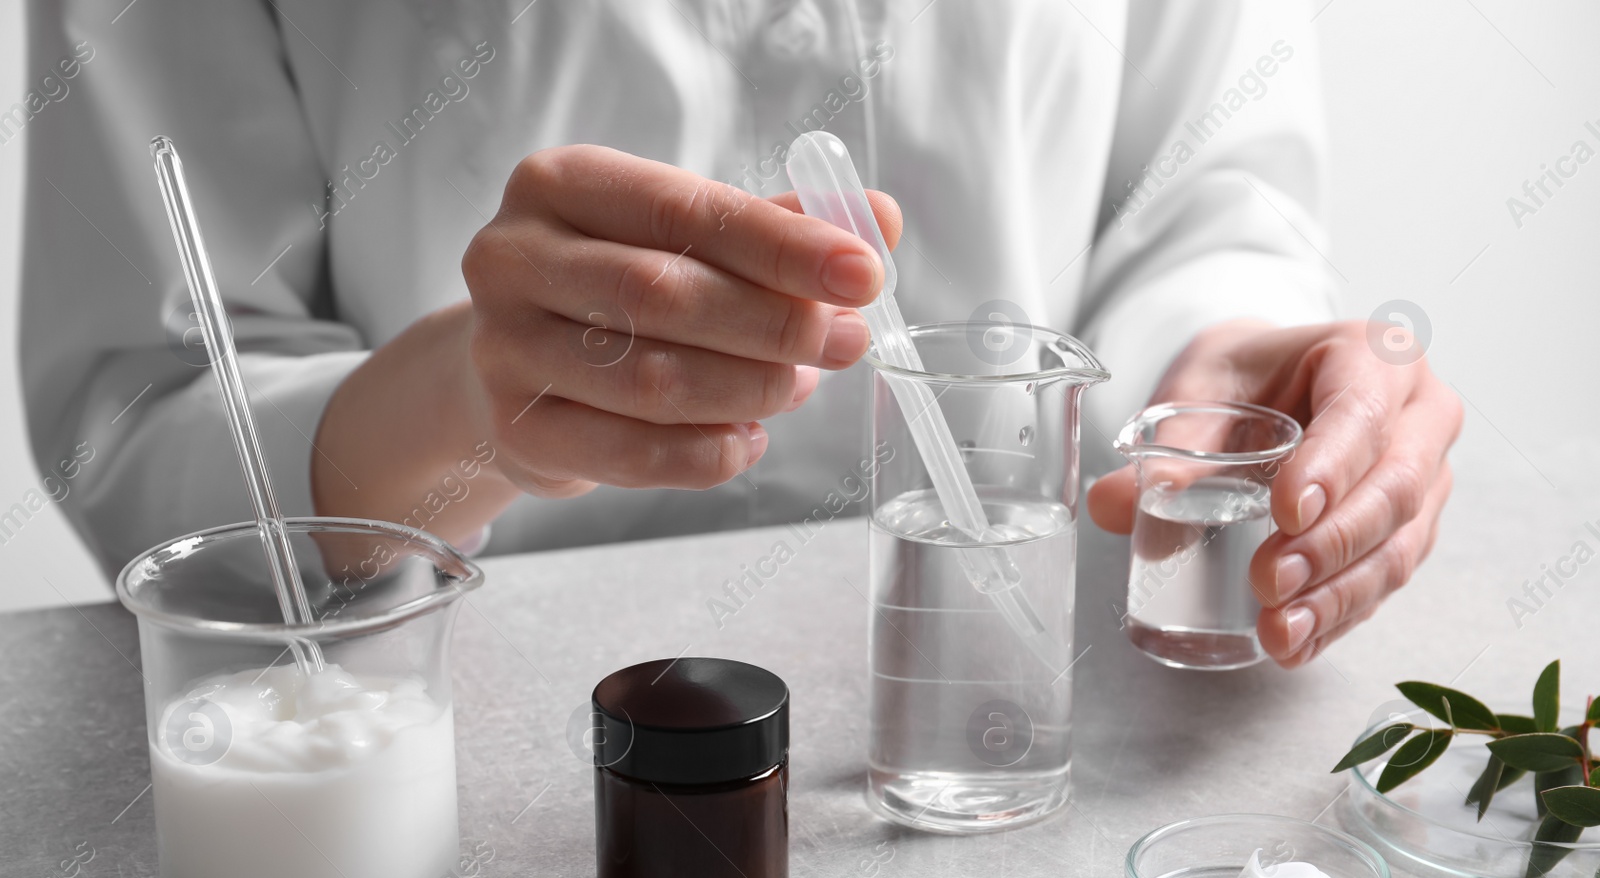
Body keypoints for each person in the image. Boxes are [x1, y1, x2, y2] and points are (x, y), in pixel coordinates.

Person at [20, 0, 1459, 667]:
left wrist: (1219, 382)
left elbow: (1201, 195)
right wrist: (465, 408)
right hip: (443, 773)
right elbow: (144, 405)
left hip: (1016, 721)